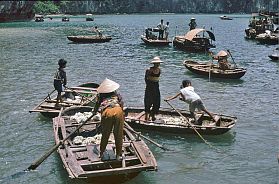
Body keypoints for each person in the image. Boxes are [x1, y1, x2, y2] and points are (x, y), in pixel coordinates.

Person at [93, 78, 124, 161]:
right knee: (118, 134)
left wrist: (94, 112)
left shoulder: (100, 95)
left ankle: (101, 153)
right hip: (118, 111)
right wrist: (122, 116)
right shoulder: (117, 95)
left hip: (107, 112)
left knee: (105, 133)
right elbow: (121, 104)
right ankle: (118, 155)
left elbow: (96, 106)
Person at [144, 56, 163, 121]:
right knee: (148, 101)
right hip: (149, 86)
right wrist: (148, 85)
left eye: (158, 63)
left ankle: (153, 115)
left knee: (157, 101)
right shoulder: (149, 70)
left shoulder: (159, 70)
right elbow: (146, 78)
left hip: (156, 86)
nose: (158, 64)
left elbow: (157, 79)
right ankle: (146, 116)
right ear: (154, 63)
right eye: (156, 63)